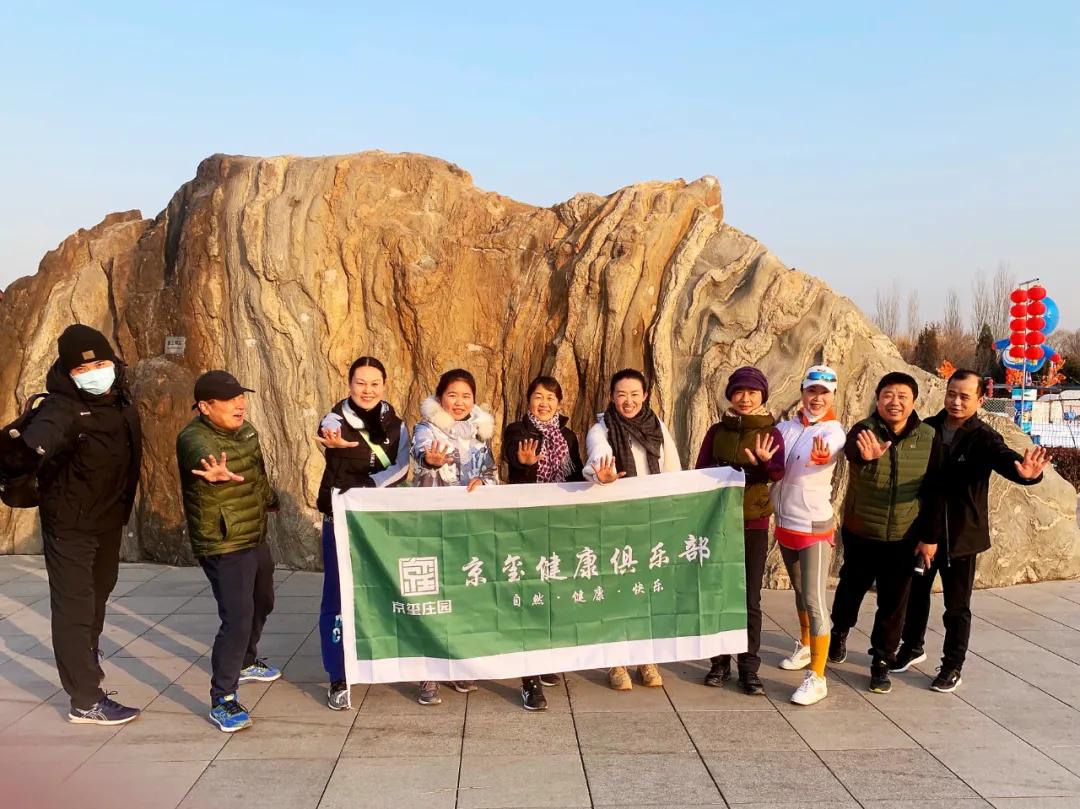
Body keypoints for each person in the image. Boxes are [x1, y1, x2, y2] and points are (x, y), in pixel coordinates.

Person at [3, 325, 143, 724]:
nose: (95, 374)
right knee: (75, 607)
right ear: (68, 373)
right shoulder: (60, 409)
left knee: (99, 592)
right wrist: (19, 455)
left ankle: (87, 662)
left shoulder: (120, 399)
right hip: (70, 524)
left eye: (100, 364)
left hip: (107, 519)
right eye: (83, 369)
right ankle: (84, 699)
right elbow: (27, 450)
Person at [892, 369, 1048, 692]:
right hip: (924, 531)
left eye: (965, 397)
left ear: (980, 400)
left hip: (961, 537)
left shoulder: (983, 437)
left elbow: (1005, 459)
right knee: (915, 596)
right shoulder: (927, 429)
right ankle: (912, 646)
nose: (956, 402)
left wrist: (1027, 474)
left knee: (957, 607)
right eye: (952, 394)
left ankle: (952, 665)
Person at [176, 371, 281, 732]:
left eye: (241, 397)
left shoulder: (247, 431)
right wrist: (214, 471)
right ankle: (223, 698)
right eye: (229, 399)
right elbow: (200, 456)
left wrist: (269, 499)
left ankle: (247, 661)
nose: (239, 404)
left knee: (263, 600)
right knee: (237, 617)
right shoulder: (193, 438)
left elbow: (257, 472)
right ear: (205, 407)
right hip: (222, 540)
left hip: (253, 532)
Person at [828, 371, 938, 695]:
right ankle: (839, 632)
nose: (895, 402)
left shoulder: (928, 437)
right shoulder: (864, 429)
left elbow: (935, 490)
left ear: (913, 402)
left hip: (904, 536)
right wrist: (864, 456)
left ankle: (881, 661)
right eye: (888, 395)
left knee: (894, 603)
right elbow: (851, 450)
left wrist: (929, 537)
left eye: (902, 396)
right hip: (862, 530)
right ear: (877, 400)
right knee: (851, 589)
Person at [314, 356, 409, 710]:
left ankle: (377, 658)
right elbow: (327, 433)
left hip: (379, 520)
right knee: (337, 595)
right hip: (340, 518)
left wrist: (369, 486)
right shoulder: (335, 419)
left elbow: (402, 467)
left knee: (384, 590)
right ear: (349, 384)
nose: (367, 390)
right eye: (360, 383)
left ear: (384, 385)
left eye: (374, 383)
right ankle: (338, 675)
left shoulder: (397, 425)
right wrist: (331, 441)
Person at [583, 368, 682, 691]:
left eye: (634, 394)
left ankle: (646, 658)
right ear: (612, 397)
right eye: (622, 395)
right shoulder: (602, 429)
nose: (628, 401)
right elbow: (598, 455)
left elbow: (672, 469)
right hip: (616, 523)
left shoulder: (657, 427)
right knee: (617, 592)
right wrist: (603, 473)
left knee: (648, 591)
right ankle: (617, 662)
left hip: (651, 521)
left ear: (645, 395)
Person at [695, 366, 785, 696]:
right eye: (739, 392)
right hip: (718, 523)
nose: (745, 398)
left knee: (749, 597)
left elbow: (777, 472)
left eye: (752, 392)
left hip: (752, 523)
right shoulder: (717, 431)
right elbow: (700, 471)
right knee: (717, 593)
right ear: (730, 395)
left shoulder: (771, 433)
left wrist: (763, 463)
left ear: (762, 396)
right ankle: (719, 663)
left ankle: (749, 667)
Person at [412, 368, 498, 705]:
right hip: (432, 526)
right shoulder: (426, 428)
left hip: (468, 527)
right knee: (432, 596)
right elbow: (422, 454)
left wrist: (484, 482)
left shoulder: (480, 433)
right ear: (440, 397)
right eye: (452, 395)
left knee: (462, 594)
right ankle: (428, 672)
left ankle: (459, 662)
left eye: (466, 396)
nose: (459, 402)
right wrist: (430, 459)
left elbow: (491, 473)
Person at [502, 374, 585, 711]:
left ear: (559, 403)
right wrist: (525, 464)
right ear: (529, 401)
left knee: (553, 593)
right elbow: (512, 460)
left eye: (551, 397)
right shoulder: (517, 430)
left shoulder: (568, 436)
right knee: (530, 594)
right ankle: (530, 679)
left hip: (560, 524)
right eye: (538, 396)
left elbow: (577, 475)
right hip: (528, 524)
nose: (544, 403)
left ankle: (546, 657)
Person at [770, 365, 846, 705]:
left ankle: (817, 677)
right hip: (784, 523)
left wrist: (823, 456)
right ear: (802, 392)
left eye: (824, 393)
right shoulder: (784, 428)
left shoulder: (833, 431)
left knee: (815, 601)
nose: (817, 398)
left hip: (813, 526)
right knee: (800, 592)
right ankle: (805, 645)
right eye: (812, 391)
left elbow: (829, 448)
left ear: (832, 396)